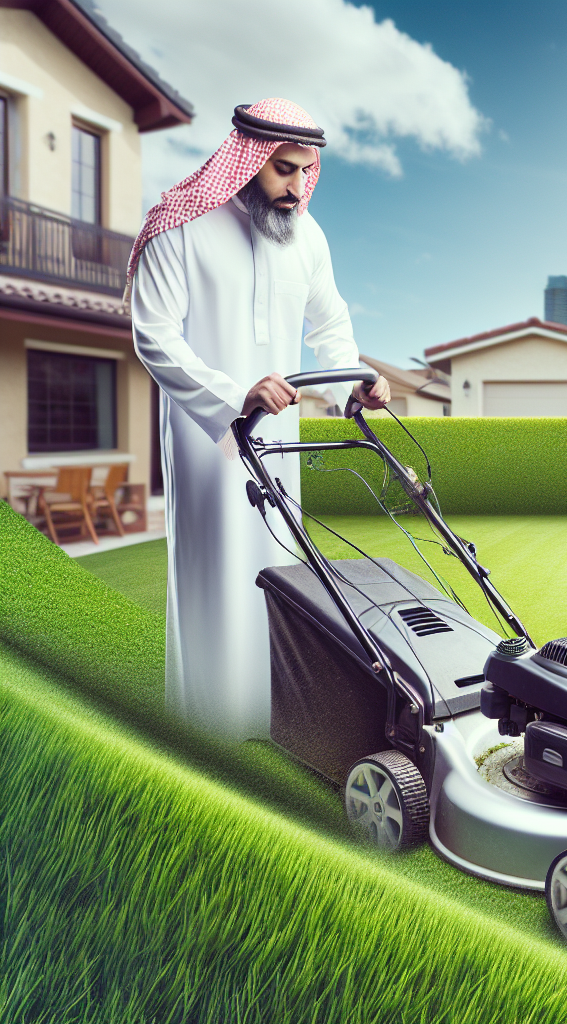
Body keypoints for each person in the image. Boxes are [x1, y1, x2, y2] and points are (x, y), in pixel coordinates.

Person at [128, 98, 390, 740]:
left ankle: (278, 717)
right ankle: (208, 728)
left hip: (278, 446)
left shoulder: (308, 236)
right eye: (282, 170)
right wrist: (233, 394)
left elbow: (329, 326)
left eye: (306, 172)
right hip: (206, 436)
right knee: (215, 576)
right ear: (244, 159)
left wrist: (358, 379)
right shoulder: (178, 225)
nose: (297, 188)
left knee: (280, 577)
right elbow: (153, 336)